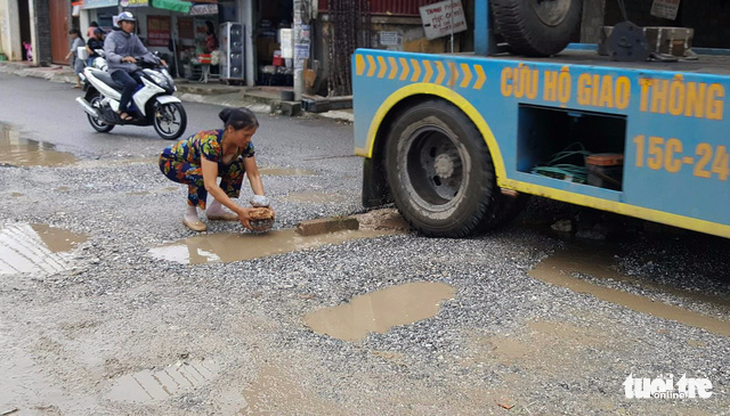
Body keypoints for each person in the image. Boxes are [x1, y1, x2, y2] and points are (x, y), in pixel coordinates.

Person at [158, 107, 271, 232]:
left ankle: (215, 210)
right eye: (246, 135)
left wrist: (263, 204)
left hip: (199, 164)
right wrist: (239, 211)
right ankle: (190, 214)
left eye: (251, 135)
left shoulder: (245, 145)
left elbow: (254, 174)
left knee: (237, 167)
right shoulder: (211, 143)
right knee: (200, 175)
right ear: (230, 129)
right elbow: (210, 185)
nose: (249, 139)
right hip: (172, 162)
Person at [104, 12, 166, 121]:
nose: (130, 25)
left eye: (132, 23)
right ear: (120, 24)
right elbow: (109, 54)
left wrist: (158, 60)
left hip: (131, 69)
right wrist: (122, 58)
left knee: (147, 81)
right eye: (127, 22)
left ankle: (139, 108)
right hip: (116, 69)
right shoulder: (111, 37)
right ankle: (121, 110)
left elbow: (144, 52)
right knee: (130, 83)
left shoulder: (133, 37)